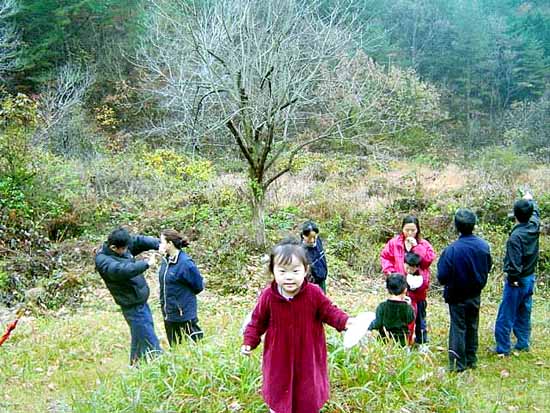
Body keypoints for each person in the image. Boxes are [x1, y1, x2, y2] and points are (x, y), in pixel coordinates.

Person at [241, 239, 352, 413]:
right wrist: (249, 341)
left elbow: (330, 311)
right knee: (278, 401)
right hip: (279, 362)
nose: (289, 277)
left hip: (308, 360)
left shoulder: (314, 293)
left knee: (307, 398)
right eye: (282, 271)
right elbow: (257, 321)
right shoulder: (269, 296)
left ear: (305, 270)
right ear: (273, 272)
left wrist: (346, 322)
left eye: (295, 271)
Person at [95, 227, 162, 364]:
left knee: (139, 337)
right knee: (150, 341)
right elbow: (122, 270)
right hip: (132, 305)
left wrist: (158, 244)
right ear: (113, 247)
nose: (127, 250)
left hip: (140, 300)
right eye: (124, 249)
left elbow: (139, 241)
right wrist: (146, 263)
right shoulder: (104, 261)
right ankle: (164, 368)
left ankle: (136, 366)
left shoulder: (122, 245)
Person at [437, 209, 492, 372]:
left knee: (458, 327)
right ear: (474, 225)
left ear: (456, 227)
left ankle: (457, 364)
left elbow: (442, 275)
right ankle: (471, 359)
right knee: (472, 325)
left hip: (456, 295)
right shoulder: (483, 246)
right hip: (475, 293)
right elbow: (487, 267)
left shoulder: (452, 250)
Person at [493, 192, 540, 355]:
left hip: (517, 281)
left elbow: (514, 265)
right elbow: (535, 212)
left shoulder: (515, 237)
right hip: (529, 277)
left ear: (516, 216)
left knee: (506, 314)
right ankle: (523, 342)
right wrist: (529, 199)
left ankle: (503, 347)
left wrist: (512, 280)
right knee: (524, 311)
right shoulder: (535, 224)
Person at [380, 215, 435, 344]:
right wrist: (391, 273)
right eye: (407, 230)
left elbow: (427, 261)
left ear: (418, 230)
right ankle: (404, 341)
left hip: (418, 287)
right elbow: (385, 256)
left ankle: (422, 341)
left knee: (420, 317)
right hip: (401, 287)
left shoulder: (423, 244)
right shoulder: (395, 243)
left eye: (413, 230)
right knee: (402, 316)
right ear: (402, 229)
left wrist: (417, 247)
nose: (409, 233)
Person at [158, 229, 204, 346]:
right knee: (176, 347)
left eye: (162, 242)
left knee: (196, 344)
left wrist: (181, 302)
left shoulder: (186, 263)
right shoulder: (165, 261)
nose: (160, 245)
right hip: (169, 313)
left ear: (170, 244)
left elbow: (198, 286)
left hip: (184, 314)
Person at [368, 273, 415, 347]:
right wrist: (409, 305)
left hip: (384, 342)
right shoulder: (407, 308)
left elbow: (377, 323)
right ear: (405, 290)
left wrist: (369, 327)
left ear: (388, 289)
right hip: (402, 343)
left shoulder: (382, 306)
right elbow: (410, 319)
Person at [404, 252, 429, 345]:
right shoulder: (403, 273)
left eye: (412, 268)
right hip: (406, 300)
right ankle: (407, 342)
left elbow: (425, 285)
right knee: (407, 323)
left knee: (420, 322)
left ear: (417, 267)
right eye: (407, 268)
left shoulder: (422, 275)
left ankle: (421, 342)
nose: (409, 270)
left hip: (419, 301)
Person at [301, 220, 328, 293]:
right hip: (312, 286)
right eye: (310, 238)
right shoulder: (301, 251)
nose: (312, 240)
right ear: (303, 236)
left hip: (322, 280)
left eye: (314, 237)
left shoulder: (318, 241)